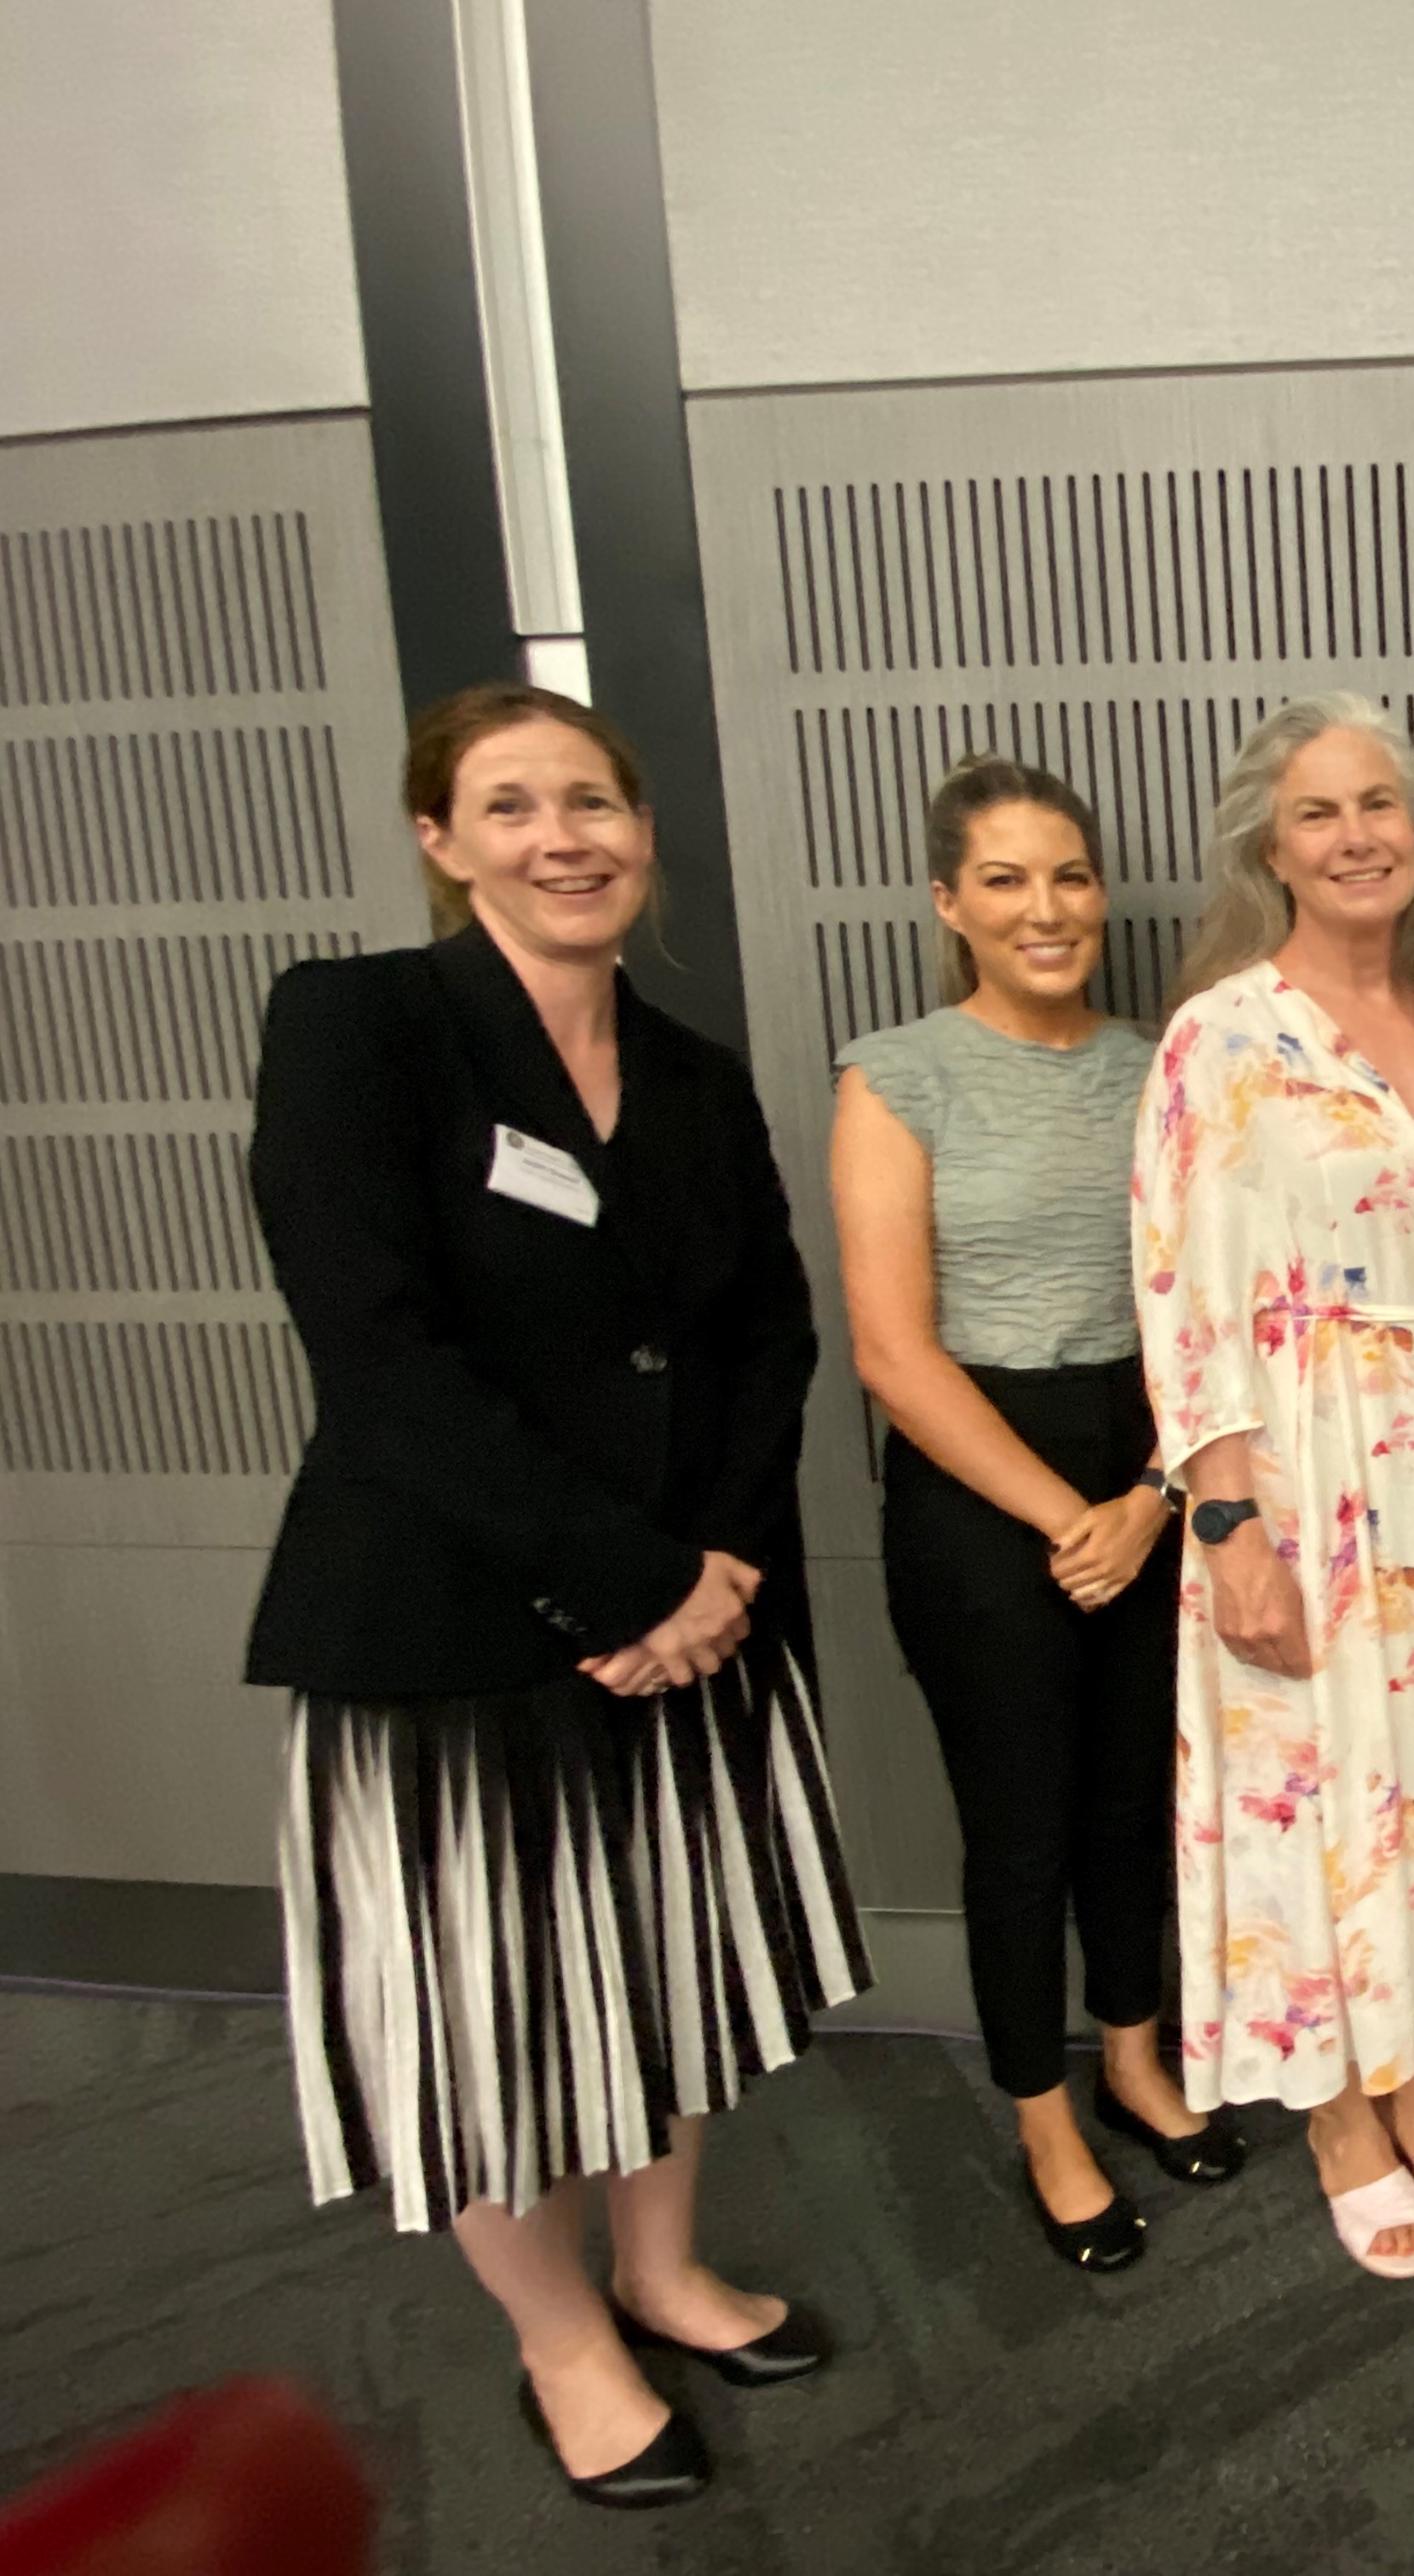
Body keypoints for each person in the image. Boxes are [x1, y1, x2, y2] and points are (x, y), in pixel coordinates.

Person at [245, 681, 869, 2510]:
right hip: (457, 1626)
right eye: (510, 806)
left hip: (689, 1628)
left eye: (591, 800)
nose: (563, 838)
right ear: (442, 841)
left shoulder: (690, 1071)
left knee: (660, 1965)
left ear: (642, 829)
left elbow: (768, 1331)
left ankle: (664, 2270)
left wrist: (722, 1570)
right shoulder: (361, 1028)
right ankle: (561, 2337)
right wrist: (634, 1575)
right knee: (491, 2010)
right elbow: (378, 1355)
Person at [1135, 693, 1414, 2279]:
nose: (1356, 835)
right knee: (1318, 1787)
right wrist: (1229, 1516)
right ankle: (1339, 2110)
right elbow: (1179, 1287)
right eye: (1320, 812)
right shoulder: (1223, 1036)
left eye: (1379, 804)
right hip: (1302, 1457)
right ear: (1272, 843)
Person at [832, 756, 1246, 2274]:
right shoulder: (897, 1073)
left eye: (1067, 874)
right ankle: (1045, 2117)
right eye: (1004, 880)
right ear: (950, 904)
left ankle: (1134, 2062)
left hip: (1145, 1458)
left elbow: (1204, 1307)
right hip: (974, 1479)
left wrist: (1145, 1496)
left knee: (1134, 1803)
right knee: (1021, 1830)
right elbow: (891, 1349)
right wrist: (1067, 1511)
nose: (1046, 907)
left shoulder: (1162, 1065)